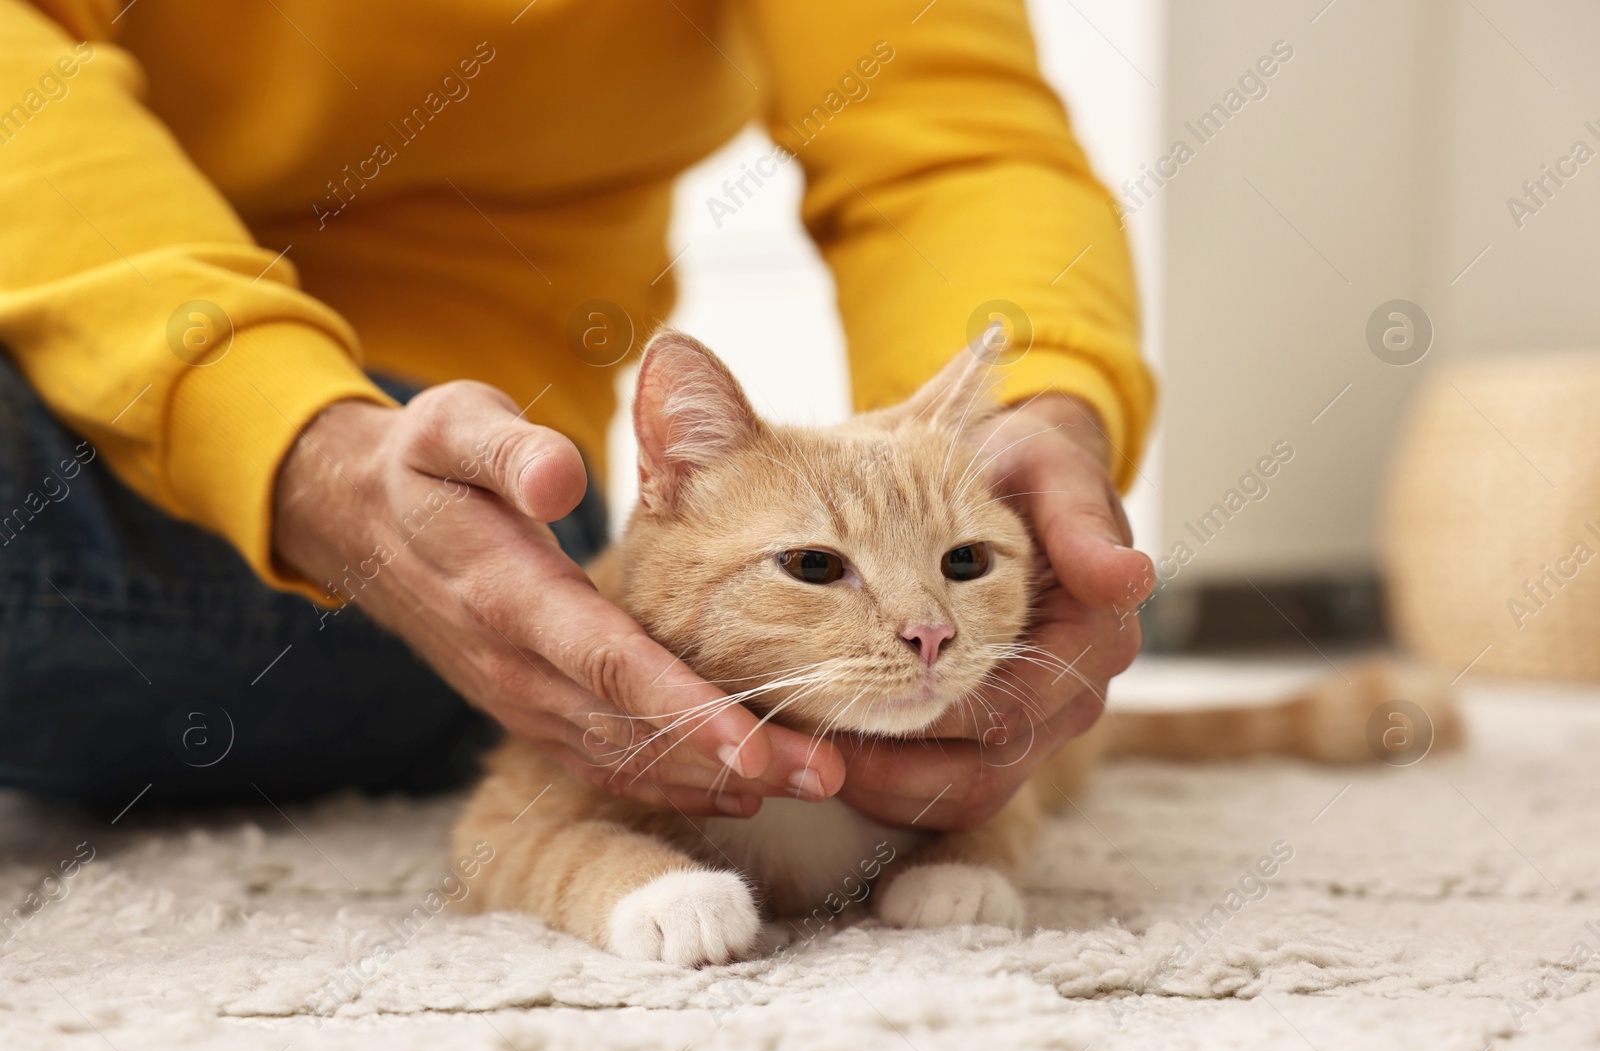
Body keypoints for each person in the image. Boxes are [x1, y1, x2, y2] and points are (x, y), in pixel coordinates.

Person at [0, 0, 1155, 830]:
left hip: (460, 470)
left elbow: (949, 144)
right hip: (138, 363)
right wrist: (274, 428)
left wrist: (1050, 405)